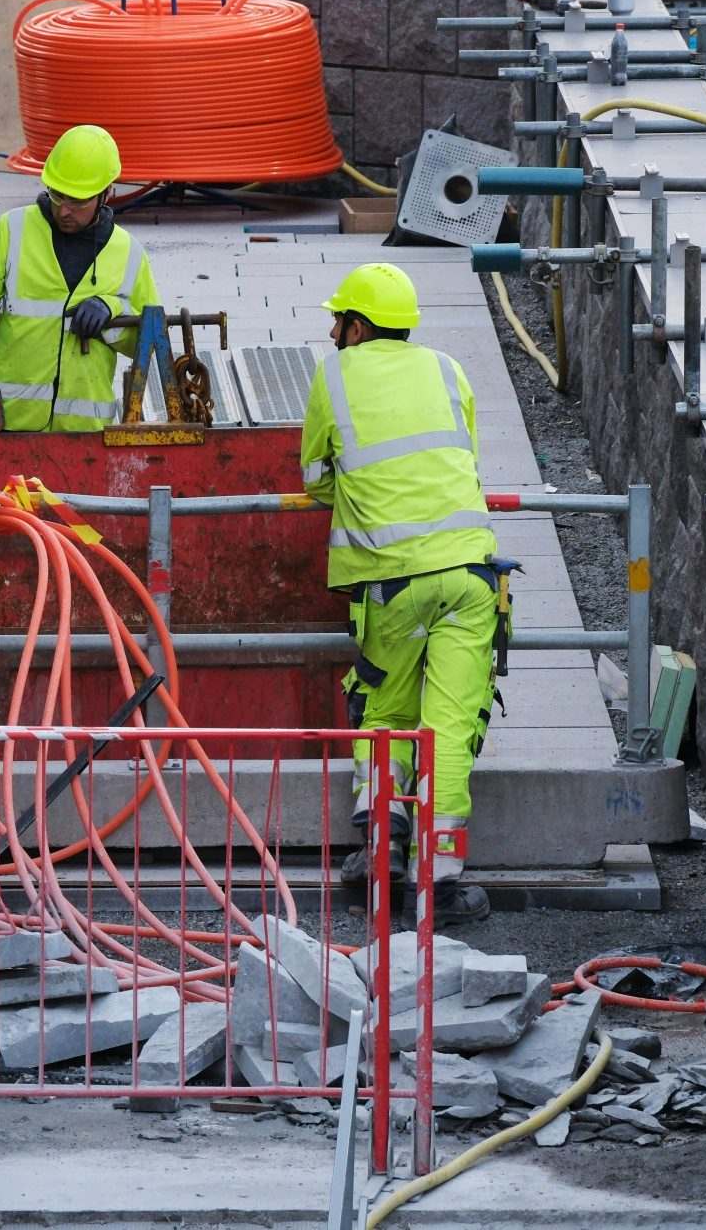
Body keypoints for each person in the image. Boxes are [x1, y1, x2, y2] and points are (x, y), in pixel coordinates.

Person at [301, 263, 498, 926]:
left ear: (357, 327)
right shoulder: (448, 369)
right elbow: (465, 460)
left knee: (383, 710)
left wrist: (356, 497)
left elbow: (313, 476)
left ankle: (383, 853)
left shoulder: (334, 375)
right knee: (449, 723)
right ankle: (437, 883)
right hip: (472, 577)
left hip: (391, 582)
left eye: (338, 321)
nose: (332, 331)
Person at [0, 123, 160, 433]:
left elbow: (149, 343)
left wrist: (111, 311)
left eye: (77, 201)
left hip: (85, 435)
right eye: (57, 195)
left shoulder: (129, 254)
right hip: (8, 425)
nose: (64, 210)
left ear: (107, 194)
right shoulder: (11, 231)